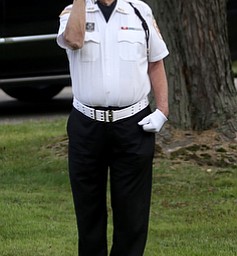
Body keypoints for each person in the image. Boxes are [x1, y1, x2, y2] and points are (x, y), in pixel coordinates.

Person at [57, 0, 169, 255]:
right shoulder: (71, 12)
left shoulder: (140, 11)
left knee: (132, 216)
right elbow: (73, 40)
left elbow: (156, 62)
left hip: (133, 125)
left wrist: (162, 110)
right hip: (87, 126)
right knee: (89, 215)